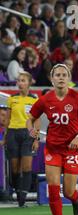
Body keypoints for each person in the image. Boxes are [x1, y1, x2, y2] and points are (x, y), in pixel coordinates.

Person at [27, 64, 78, 215]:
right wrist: (31, 129)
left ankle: (75, 200)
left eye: (64, 74)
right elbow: (31, 118)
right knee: (54, 187)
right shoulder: (45, 100)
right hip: (53, 148)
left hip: (73, 149)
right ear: (52, 78)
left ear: (69, 78)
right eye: (58, 75)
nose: (61, 77)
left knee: (69, 191)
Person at [3, 72, 38, 207]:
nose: (20, 83)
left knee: (27, 166)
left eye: (23, 80)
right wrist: (5, 137)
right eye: (18, 81)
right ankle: (18, 192)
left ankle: (23, 196)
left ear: (29, 83)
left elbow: (37, 121)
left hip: (27, 134)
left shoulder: (34, 100)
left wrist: (36, 139)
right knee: (15, 167)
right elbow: (7, 119)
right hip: (13, 133)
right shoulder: (12, 99)